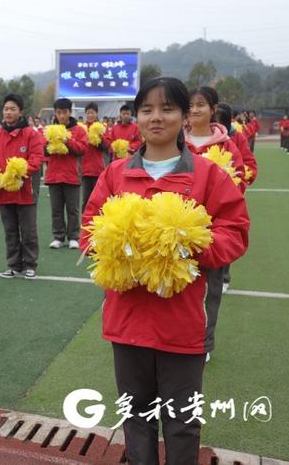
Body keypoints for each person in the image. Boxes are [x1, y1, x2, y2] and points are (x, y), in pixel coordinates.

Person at [80, 77, 249, 463]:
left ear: (184, 117)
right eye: (147, 110)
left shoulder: (208, 175)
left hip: (181, 324)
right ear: (136, 117)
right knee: (136, 417)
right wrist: (120, 247)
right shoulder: (116, 174)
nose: (157, 117)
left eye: (168, 108)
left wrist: (185, 245)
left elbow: (235, 233)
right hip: (128, 321)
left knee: (181, 421)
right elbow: (89, 231)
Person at [0, 93, 44, 279]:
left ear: (21, 111)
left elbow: (37, 158)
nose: (8, 112)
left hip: (25, 190)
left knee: (28, 230)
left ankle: (30, 264)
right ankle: (13, 264)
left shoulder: (31, 134)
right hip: (4, 191)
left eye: (12, 109)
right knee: (10, 231)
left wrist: (21, 170)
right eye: (6, 109)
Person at [185, 86, 246, 194]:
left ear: (214, 109)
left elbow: (239, 180)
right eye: (190, 106)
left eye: (200, 105)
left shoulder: (226, 146)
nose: (194, 110)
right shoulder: (176, 144)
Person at [45, 98, 87, 250]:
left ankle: (74, 237)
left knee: (73, 210)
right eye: (58, 113)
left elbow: (82, 149)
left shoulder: (79, 130)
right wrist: (50, 143)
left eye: (64, 112)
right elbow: (43, 150)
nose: (61, 116)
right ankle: (58, 237)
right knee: (56, 209)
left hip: (72, 175)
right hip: (54, 175)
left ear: (70, 112)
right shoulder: (49, 129)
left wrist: (67, 140)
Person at [81, 102, 108, 211]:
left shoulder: (101, 128)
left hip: (97, 169)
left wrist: (99, 140)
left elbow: (106, 147)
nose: (90, 115)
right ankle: (85, 222)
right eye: (88, 113)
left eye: (92, 113)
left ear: (96, 113)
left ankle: (99, 222)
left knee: (99, 198)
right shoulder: (81, 128)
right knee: (86, 199)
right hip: (85, 170)